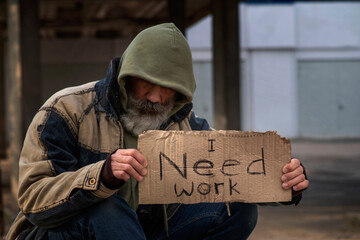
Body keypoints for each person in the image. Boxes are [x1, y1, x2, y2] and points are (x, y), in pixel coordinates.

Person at [6, 23, 309, 240]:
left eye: (168, 90)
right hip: (59, 232)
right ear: (127, 76)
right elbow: (33, 200)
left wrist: (284, 183)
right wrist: (102, 175)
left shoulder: (184, 122)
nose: (154, 97)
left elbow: (237, 174)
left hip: (140, 232)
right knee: (107, 207)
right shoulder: (65, 110)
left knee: (238, 210)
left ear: (180, 94)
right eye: (146, 83)